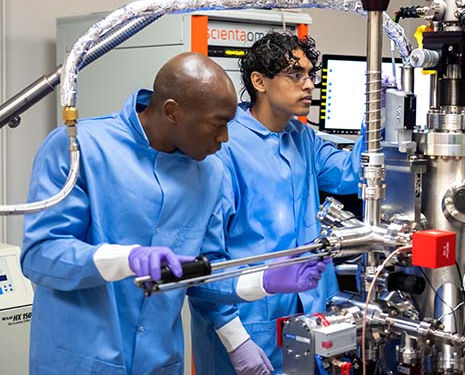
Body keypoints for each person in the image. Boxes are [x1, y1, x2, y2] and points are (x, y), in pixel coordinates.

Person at [21, 51, 329, 375]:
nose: (224, 138)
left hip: (159, 362)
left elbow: (202, 277)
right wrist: (125, 259)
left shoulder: (209, 173)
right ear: (172, 112)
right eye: (217, 124)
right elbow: (40, 255)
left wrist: (264, 280)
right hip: (79, 361)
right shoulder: (80, 148)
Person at [189, 32, 365, 374]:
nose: (309, 85)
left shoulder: (302, 137)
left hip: (311, 316)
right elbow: (205, 262)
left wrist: (378, 118)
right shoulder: (223, 148)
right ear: (260, 82)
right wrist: (236, 340)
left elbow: (351, 175)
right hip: (251, 324)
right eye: (296, 75)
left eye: (310, 75)